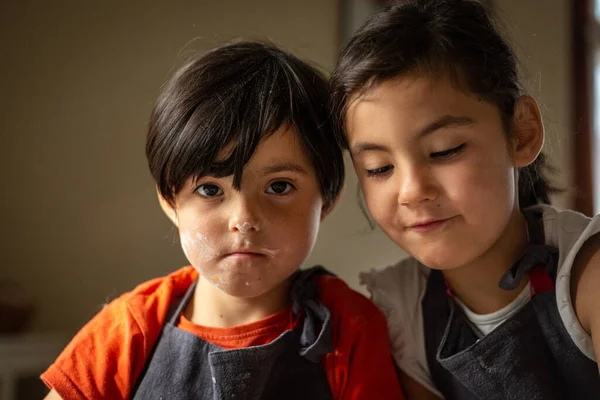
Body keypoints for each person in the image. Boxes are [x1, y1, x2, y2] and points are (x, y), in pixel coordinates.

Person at [41, 41, 404, 400]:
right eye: (210, 190)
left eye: (279, 186)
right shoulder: (128, 330)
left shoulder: (349, 327)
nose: (244, 219)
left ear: (326, 197)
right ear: (170, 201)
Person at [330, 1, 600, 398]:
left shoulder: (588, 276)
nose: (411, 190)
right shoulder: (403, 312)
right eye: (378, 168)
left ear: (521, 134)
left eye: (445, 150)